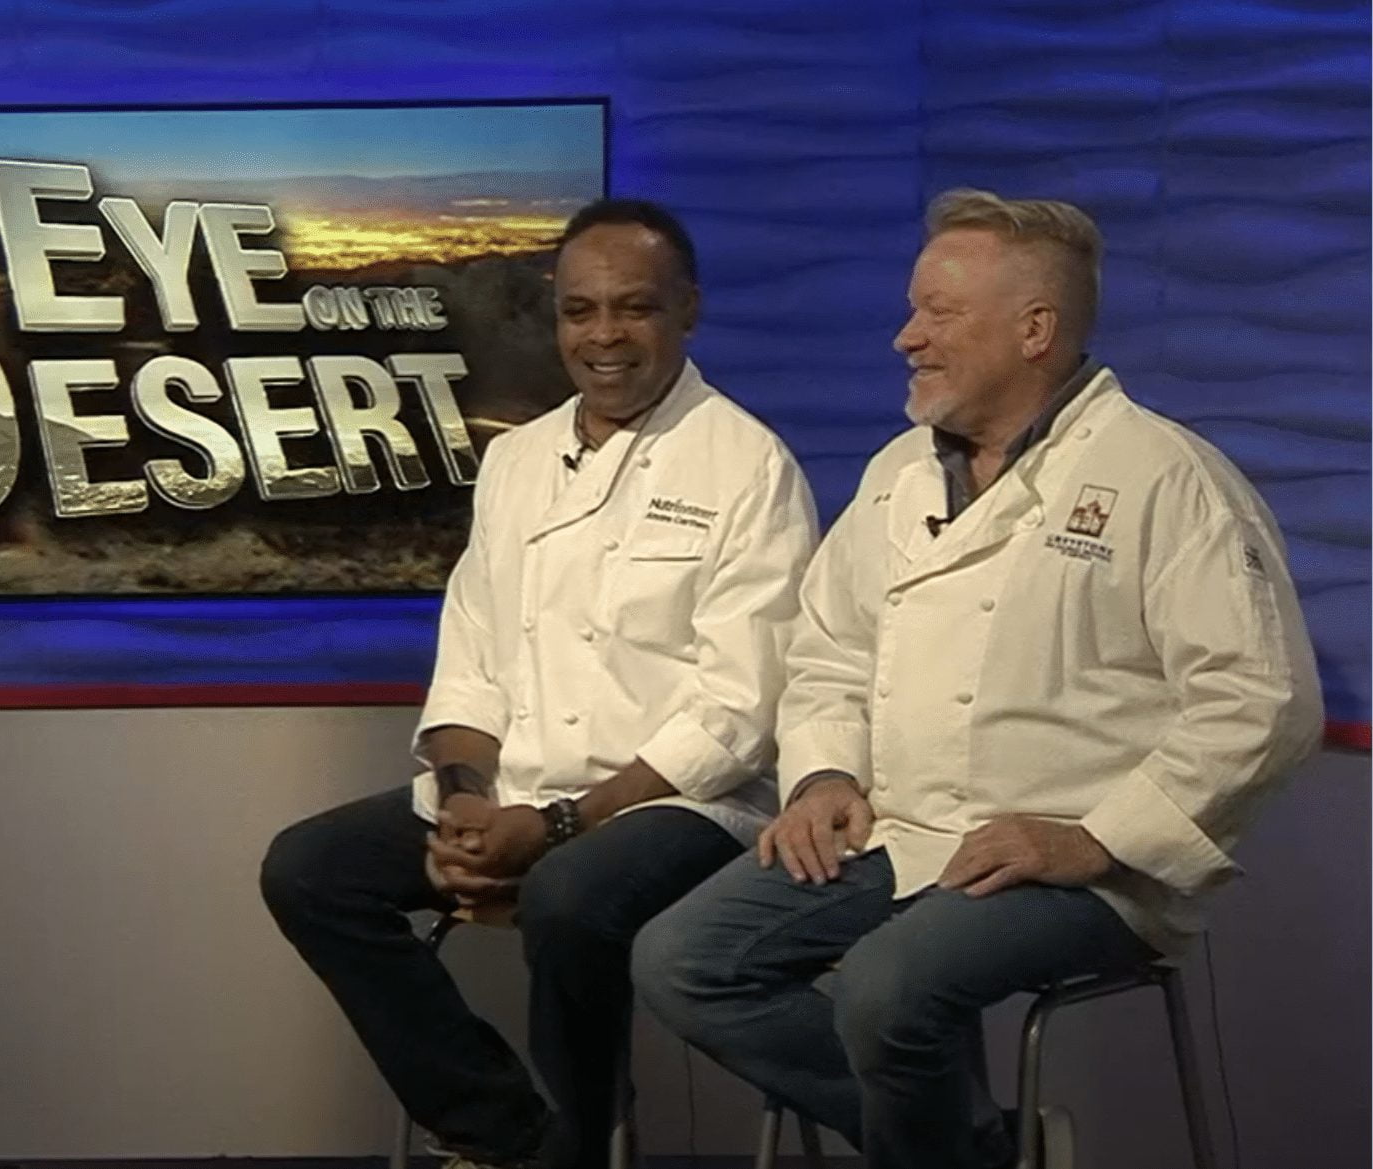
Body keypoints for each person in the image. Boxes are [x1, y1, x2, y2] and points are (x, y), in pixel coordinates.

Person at [631, 189, 1323, 1169]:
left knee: (884, 987)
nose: (905, 336)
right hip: (903, 830)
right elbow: (828, 649)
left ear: (1034, 328)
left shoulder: (1164, 477)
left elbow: (1264, 700)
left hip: (1083, 863)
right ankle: (973, 1145)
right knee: (682, 959)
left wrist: (1097, 836)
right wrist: (824, 775)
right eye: (913, 310)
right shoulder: (897, 475)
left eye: (937, 313)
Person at [261, 199, 818, 1169]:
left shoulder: (748, 465)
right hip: (520, 787)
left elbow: (737, 714)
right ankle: (507, 1134)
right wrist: (468, 806)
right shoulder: (516, 461)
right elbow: (472, 661)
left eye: (633, 308)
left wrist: (560, 824)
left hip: (681, 801)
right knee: (310, 868)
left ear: (687, 310)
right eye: (580, 310)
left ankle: (583, 1145)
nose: (603, 336)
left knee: (566, 893)